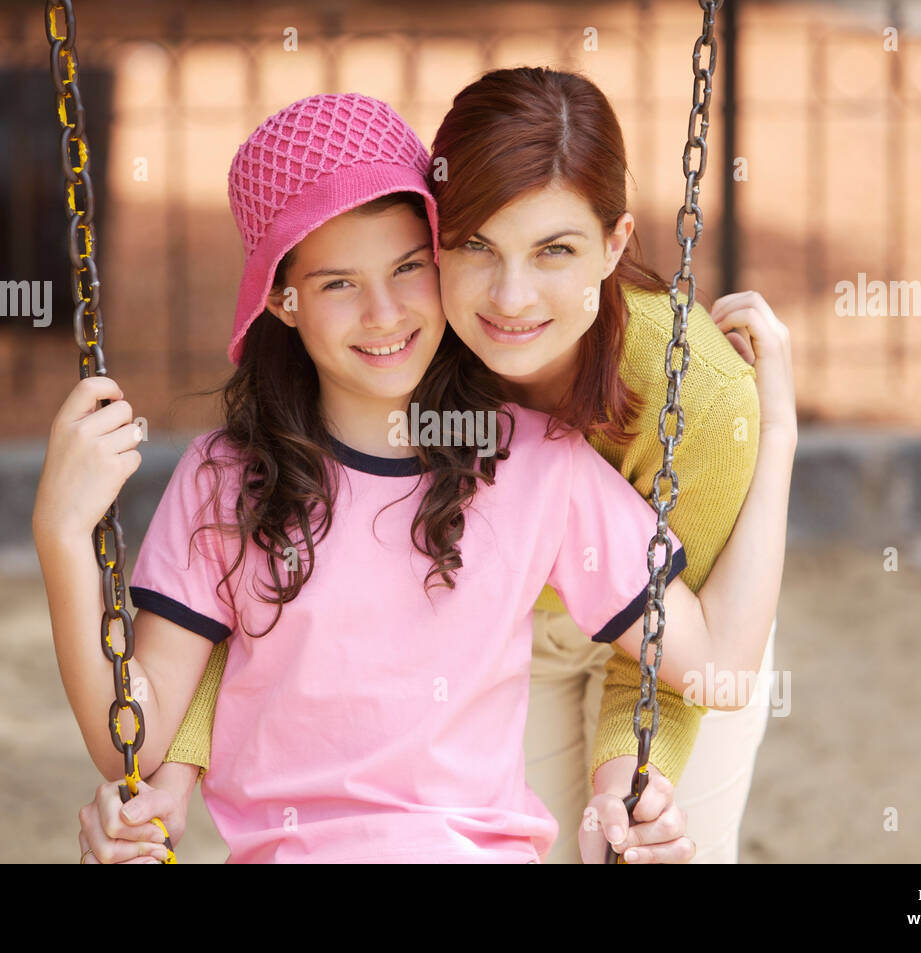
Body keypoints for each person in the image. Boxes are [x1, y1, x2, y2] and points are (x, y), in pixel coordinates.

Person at [60, 89, 795, 863]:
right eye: (338, 282)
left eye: (407, 267)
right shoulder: (225, 480)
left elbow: (703, 666)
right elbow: (216, 667)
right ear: (282, 297)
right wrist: (65, 537)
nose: (383, 312)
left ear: (613, 245)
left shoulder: (552, 456)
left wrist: (777, 433)